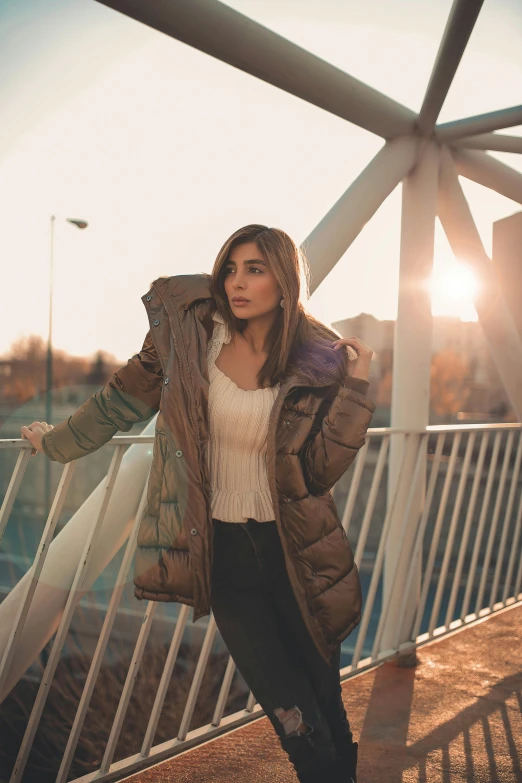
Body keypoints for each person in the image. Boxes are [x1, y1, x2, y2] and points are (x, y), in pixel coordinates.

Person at [22, 224, 375, 782]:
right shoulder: (188, 339)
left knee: (323, 692)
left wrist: (356, 391)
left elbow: (318, 472)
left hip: (295, 551)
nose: (237, 282)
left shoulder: (318, 361)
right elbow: (121, 401)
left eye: (255, 269)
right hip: (222, 549)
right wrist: (56, 443)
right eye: (231, 268)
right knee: (287, 706)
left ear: (286, 283)